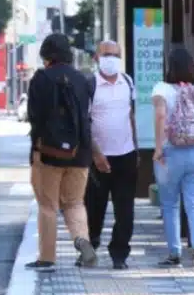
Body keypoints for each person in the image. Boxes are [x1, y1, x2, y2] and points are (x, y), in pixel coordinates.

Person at [25, 33, 97, 270]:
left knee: (47, 205)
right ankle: (82, 241)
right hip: (80, 153)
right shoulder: (82, 80)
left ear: (46, 55)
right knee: (75, 203)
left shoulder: (41, 79)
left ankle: (47, 257)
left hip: (48, 153)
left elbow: (34, 117)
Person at [152, 47, 194, 271]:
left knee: (169, 205)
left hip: (171, 153)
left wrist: (158, 148)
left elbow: (160, 115)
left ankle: (174, 253)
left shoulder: (162, 89)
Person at [85, 40, 138, 269]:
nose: (112, 58)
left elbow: (131, 116)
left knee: (125, 211)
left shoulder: (127, 81)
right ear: (97, 57)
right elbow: (84, 124)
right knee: (94, 209)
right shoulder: (90, 85)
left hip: (125, 155)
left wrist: (135, 148)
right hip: (98, 157)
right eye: (107, 54)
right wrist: (96, 154)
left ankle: (120, 253)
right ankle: (91, 245)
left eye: (116, 54)